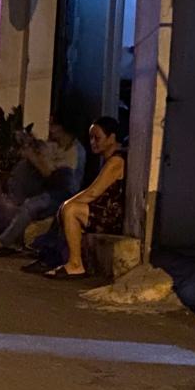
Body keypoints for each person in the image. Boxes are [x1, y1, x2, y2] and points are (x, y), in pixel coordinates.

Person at [0, 117, 86, 257]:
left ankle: (3, 242)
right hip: (50, 189)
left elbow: (52, 175)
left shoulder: (75, 152)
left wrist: (33, 157)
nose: (49, 129)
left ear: (61, 128)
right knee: (24, 173)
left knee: (31, 205)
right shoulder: (57, 146)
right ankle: (14, 239)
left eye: (52, 125)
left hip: (64, 195)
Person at [41, 116, 127, 279]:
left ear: (112, 138)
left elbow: (94, 192)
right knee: (65, 209)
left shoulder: (116, 161)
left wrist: (68, 205)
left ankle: (75, 264)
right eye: (91, 138)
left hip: (111, 216)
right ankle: (51, 256)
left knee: (70, 210)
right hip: (103, 211)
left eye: (97, 138)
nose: (93, 142)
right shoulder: (109, 159)